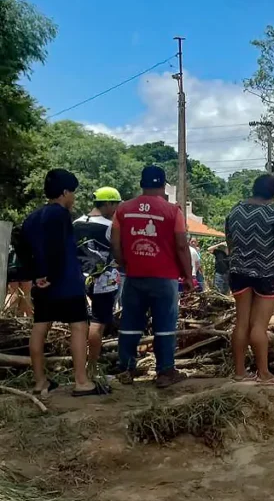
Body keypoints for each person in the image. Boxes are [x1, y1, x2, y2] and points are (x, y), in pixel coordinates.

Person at [21, 169, 109, 397]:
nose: (74, 198)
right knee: (78, 326)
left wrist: (36, 275)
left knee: (40, 328)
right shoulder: (59, 215)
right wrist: (50, 274)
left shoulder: (32, 217)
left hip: (42, 286)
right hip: (65, 282)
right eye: (73, 193)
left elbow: (21, 249)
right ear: (65, 192)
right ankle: (81, 381)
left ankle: (40, 381)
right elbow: (56, 247)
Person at [112, 166, 193, 388]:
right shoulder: (172, 211)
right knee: (165, 325)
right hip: (165, 278)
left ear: (141, 183)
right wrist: (187, 275)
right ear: (163, 185)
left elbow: (115, 243)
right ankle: (165, 372)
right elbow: (181, 245)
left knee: (130, 323)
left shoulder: (123, 209)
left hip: (135, 276)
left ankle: (126, 369)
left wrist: (124, 263)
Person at [224, 174, 274, 384]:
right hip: (267, 274)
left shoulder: (235, 211)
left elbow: (230, 240)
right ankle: (263, 373)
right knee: (259, 326)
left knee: (241, 322)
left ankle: (239, 372)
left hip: (238, 272)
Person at [73, 186, 122, 372]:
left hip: (78, 279)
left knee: (79, 323)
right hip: (103, 281)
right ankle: (92, 367)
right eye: (115, 205)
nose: (116, 209)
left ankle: (79, 365)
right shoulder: (110, 226)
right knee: (97, 323)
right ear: (108, 203)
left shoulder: (76, 223)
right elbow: (117, 252)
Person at [4, 227, 33, 317]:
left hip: (11, 269)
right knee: (26, 295)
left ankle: (12, 315)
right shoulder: (27, 244)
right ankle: (28, 317)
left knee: (14, 292)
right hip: (24, 269)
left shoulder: (10, 244)